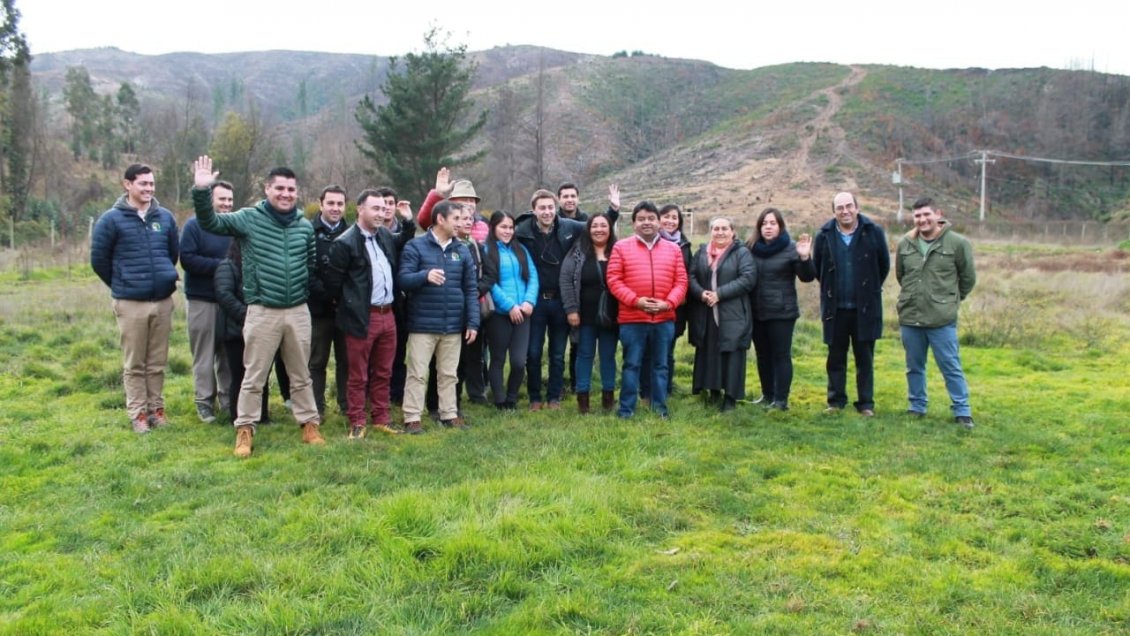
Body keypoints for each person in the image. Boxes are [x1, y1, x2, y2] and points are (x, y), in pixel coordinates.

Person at [191, 155, 325, 458]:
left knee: (301, 373)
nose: (286, 194)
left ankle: (309, 425)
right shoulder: (249, 218)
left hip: (297, 311)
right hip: (262, 310)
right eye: (280, 188)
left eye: (291, 189)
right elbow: (210, 222)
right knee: (254, 375)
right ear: (267, 189)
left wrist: (301, 295)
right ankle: (244, 430)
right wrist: (201, 191)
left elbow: (310, 264)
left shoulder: (304, 227)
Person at [90, 163, 179, 434]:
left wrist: (161, 278)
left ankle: (156, 410)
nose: (149, 189)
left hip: (162, 300)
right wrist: (123, 282)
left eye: (151, 184)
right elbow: (99, 260)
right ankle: (138, 413)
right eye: (143, 184)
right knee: (134, 363)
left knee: (157, 361)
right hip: (130, 303)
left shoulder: (164, 217)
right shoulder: (111, 220)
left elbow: (171, 254)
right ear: (127, 184)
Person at [516, 186, 620, 411]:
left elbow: (598, 226)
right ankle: (535, 397)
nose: (546, 212)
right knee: (533, 352)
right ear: (533, 210)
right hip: (534, 301)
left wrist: (612, 209)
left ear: (556, 209)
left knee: (556, 353)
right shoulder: (522, 232)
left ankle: (554, 397)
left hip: (560, 301)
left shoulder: (568, 227)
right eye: (542, 208)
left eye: (550, 207)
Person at [323, 189, 402, 439]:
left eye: (383, 209)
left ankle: (381, 417)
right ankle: (357, 420)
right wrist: (350, 307)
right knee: (358, 374)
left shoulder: (385, 237)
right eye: (375, 208)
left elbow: (404, 240)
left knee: (384, 371)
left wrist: (409, 220)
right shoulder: (344, 243)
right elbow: (333, 284)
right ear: (360, 209)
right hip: (361, 317)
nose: (380, 213)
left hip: (388, 315)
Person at [397, 200, 480, 433]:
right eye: (455, 218)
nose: (460, 223)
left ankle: (449, 414)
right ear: (440, 219)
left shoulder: (462, 250)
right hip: (422, 325)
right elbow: (402, 280)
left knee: (448, 374)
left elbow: (471, 289)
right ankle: (412, 417)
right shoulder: (415, 247)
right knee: (417, 374)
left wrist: (472, 321)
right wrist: (424, 276)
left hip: (453, 325)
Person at [896, 197, 977, 428]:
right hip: (911, 316)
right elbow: (901, 276)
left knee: (950, 366)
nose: (922, 220)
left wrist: (950, 301)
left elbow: (968, 278)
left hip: (942, 319)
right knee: (914, 366)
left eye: (926, 214)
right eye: (917, 216)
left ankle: (962, 411)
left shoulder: (957, 243)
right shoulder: (905, 244)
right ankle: (916, 407)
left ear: (938, 214)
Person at [607, 201, 688, 419]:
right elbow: (614, 280)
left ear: (659, 222)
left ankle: (660, 408)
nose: (647, 223)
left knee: (660, 366)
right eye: (641, 219)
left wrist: (668, 303)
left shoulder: (673, 249)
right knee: (631, 365)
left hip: (664, 319)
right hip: (632, 318)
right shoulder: (621, 247)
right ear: (633, 223)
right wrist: (636, 301)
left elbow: (681, 281)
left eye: (651, 218)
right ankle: (626, 409)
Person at [812, 192, 890, 417]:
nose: (845, 211)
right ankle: (836, 401)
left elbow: (883, 266)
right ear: (834, 211)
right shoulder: (824, 235)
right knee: (835, 357)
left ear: (857, 207)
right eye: (840, 208)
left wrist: (868, 290)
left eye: (849, 206)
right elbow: (819, 269)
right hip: (835, 310)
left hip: (865, 309)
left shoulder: (873, 232)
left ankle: (866, 403)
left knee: (864, 358)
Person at [745, 208, 816, 411]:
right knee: (762, 355)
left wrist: (804, 258)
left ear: (780, 226)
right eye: (764, 223)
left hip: (782, 312)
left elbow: (808, 276)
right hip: (757, 311)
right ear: (759, 227)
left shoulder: (791, 248)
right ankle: (767, 395)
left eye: (772, 223)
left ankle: (781, 399)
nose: (768, 227)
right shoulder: (750, 247)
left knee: (780, 355)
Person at [687, 217, 757, 412]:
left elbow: (748, 278)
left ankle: (730, 398)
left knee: (732, 353)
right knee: (710, 352)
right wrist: (701, 293)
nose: (720, 232)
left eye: (724, 228)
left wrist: (720, 294)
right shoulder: (701, 252)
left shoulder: (741, 253)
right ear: (711, 232)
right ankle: (713, 391)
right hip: (706, 311)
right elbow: (690, 276)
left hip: (732, 312)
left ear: (732, 231)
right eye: (716, 229)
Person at [179, 179, 234, 423]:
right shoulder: (194, 226)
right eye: (222, 199)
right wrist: (223, 268)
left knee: (228, 354)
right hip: (203, 299)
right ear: (210, 199)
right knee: (204, 353)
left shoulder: (233, 226)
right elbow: (188, 259)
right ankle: (204, 402)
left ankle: (228, 400)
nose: (226, 204)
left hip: (230, 301)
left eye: (230, 200)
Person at [560, 213, 618, 413]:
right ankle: (583, 399)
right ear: (588, 228)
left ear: (610, 229)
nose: (599, 229)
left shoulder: (618, 251)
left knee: (608, 356)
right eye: (595, 226)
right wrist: (571, 310)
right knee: (584, 355)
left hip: (611, 315)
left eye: (603, 225)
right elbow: (566, 280)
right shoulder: (577, 252)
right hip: (584, 315)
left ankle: (608, 397)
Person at [481, 211, 538, 410]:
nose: (507, 231)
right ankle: (500, 400)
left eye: (510, 227)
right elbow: (490, 283)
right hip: (498, 314)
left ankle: (512, 397)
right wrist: (510, 306)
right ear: (493, 228)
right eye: (503, 227)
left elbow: (533, 277)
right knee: (497, 358)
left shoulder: (520, 249)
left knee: (518, 361)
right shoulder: (486, 250)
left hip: (523, 313)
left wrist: (529, 301)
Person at [214, 242, 272, 424]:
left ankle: (262, 416)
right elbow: (224, 294)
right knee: (239, 376)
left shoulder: (261, 265)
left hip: (260, 329)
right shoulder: (227, 266)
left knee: (261, 375)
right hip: (235, 332)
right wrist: (247, 315)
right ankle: (237, 416)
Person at [642, 203, 693, 400]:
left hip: (675, 308)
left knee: (667, 352)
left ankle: (665, 390)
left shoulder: (685, 246)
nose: (670, 221)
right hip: (647, 307)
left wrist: (675, 300)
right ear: (657, 219)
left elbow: (686, 276)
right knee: (647, 351)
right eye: (666, 216)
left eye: (674, 217)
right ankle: (645, 390)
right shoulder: (647, 242)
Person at [307, 185, 350, 419]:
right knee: (316, 362)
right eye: (331, 203)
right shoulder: (308, 232)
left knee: (347, 361)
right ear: (321, 204)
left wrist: (343, 297)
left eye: (340, 204)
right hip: (318, 310)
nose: (335, 208)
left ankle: (346, 405)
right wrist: (327, 294)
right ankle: (316, 408)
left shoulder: (353, 233)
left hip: (345, 310)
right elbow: (306, 271)